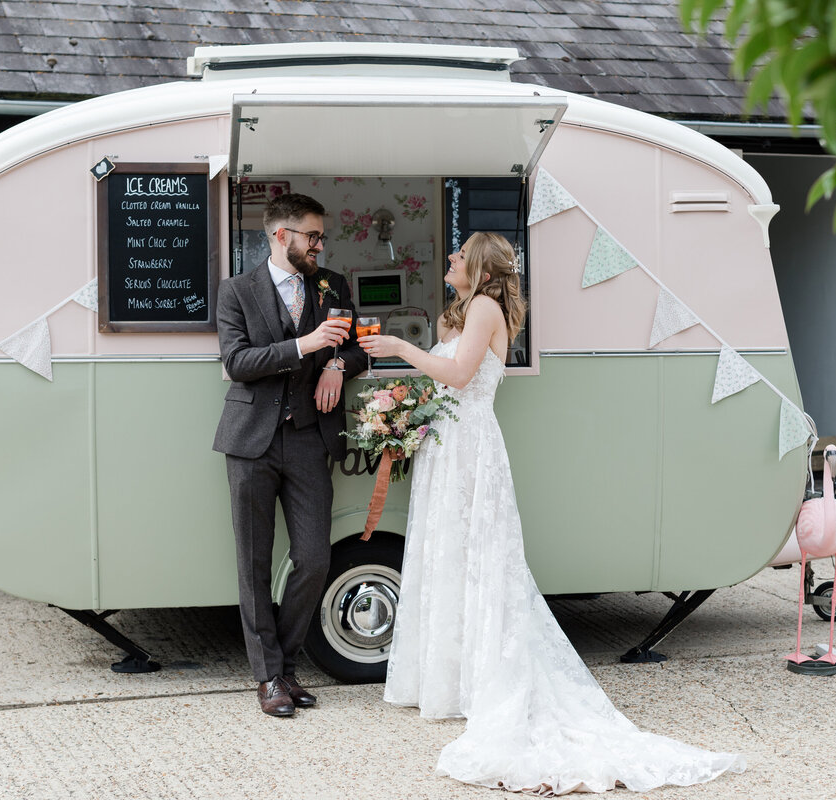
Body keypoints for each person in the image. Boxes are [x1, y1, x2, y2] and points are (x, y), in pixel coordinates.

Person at [359, 232, 746, 794]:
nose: (448, 259)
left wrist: (401, 351)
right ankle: (450, 680)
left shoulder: (487, 308)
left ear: (481, 267)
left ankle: (483, 683)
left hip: (470, 449)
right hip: (452, 445)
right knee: (451, 552)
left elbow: (461, 377)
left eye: (457, 255)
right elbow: (448, 374)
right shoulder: (468, 312)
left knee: (478, 557)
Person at [213, 193, 362, 717]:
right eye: (312, 236)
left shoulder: (334, 285)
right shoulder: (235, 291)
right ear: (281, 236)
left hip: (307, 439)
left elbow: (357, 344)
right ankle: (269, 677)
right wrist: (305, 347)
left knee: (314, 557)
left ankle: (289, 664)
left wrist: (338, 364)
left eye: (321, 237)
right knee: (253, 563)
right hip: (250, 439)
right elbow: (237, 360)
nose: (320, 245)